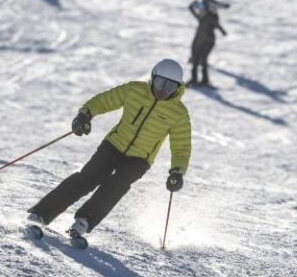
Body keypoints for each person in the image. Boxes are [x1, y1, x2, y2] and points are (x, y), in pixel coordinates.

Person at [27, 59, 192, 242]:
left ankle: (84, 222)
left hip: (140, 159)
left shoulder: (178, 113)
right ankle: (41, 214)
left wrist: (178, 171)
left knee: (115, 187)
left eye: (170, 86)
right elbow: (105, 100)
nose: (163, 90)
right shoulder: (134, 90)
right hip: (114, 145)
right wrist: (85, 114)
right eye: (161, 83)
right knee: (87, 178)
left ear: (177, 88)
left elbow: (181, 146)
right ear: (153, 78)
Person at [187, 0, 228, 87]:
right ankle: (194, 80)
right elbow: (192, 10)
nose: (201, 11)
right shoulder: (201, 18)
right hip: (200, 39)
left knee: (203, 58)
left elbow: (217, 24)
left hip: (208, 41)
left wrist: (223, 31)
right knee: (196, 59)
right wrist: (192, 7)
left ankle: (204, 81)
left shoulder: (210, 17)